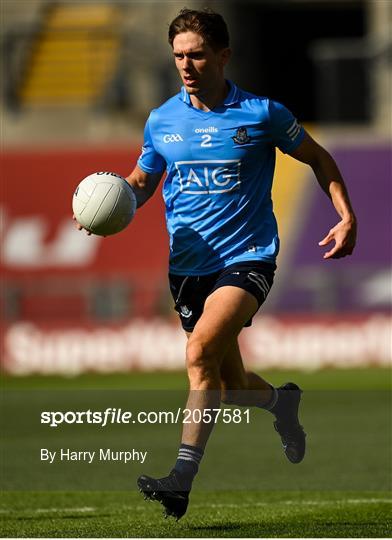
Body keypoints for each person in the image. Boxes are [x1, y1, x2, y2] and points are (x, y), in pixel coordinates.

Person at [75, 8, 357, 521]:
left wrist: (345, 215)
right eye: (179, 55)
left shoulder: (262, 113)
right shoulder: (162, 120)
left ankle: (181, 478)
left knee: (200, 353)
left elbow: (318, 157)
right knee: (228, 386)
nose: (186, 64)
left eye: (197, 54)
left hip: (247, 257)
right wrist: (110, 206)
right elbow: (142, 183)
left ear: (224, 56)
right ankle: (281, 404)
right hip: (188, 267)